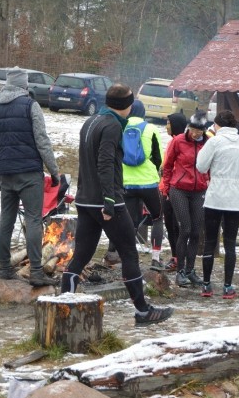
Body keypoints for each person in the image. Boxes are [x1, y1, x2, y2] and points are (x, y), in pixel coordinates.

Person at [61, 84, 173, 327]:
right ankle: (143, 312)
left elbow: (86, 162)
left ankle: (62, 307)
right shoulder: (112, 125)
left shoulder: (90, 121)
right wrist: (110, 201)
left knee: (80, 256)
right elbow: (105, 163)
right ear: (128, 105)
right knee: (129, 253)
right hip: (106, 202)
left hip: (85, 200)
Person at [0, 68, 60, 285]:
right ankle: (36, 272)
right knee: (34, 220)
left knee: (6, 219)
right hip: (29, 174)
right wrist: (54, 171)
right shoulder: (30, 106)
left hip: (6, 173)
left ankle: (4, 268)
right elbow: (42, 141)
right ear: (24, 85)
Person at [196, 110, 239, 298]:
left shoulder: (214, 141)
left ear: (218, 125)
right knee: (230, 244)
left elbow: (201, 166)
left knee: (210, 241)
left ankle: (207, 285)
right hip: (235, 198)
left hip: (215, 196)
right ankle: (228, 286)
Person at [160, 110, 209, 287]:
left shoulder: (207, 142)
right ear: (189, 127)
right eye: (194, 130)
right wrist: (166, 188)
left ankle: (190, 269)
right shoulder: (178, 141)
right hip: (179, 188)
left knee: (196, 232)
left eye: (200, 130)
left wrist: (208, 180)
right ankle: (180, 270)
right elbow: (168, 166)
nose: (196, 133)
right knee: (185, 229)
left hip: (199, 190)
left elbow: (210, 164)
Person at [115, 100, 166, 269]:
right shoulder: (151, 129)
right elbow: (158, 157)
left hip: (127, 183)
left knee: (131, 222)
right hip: (148, 183)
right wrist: (153, 170)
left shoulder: (120, 127)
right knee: (158, 218)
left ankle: (129, 259)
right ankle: (156, 258)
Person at [160, 112, 187, 272]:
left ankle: (179, 258)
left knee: (176, 226)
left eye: (169, 123)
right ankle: (175, 256)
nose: (166, 126)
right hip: (166, 188)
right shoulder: (172, 142)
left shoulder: (181, 143)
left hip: (175, 189)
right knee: (170, 225)